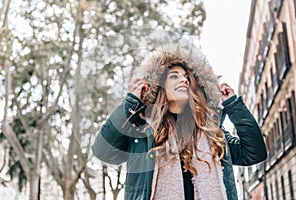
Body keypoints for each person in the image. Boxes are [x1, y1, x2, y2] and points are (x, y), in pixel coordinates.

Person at [92, 44, 267, 200]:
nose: (183, 80)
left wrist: (233, 105)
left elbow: (254, 153)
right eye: (174, 76)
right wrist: (130, 103)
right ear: (159, 86)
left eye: (186, 77)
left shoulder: (212, 133)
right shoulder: (141, 133)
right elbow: (103, 151)